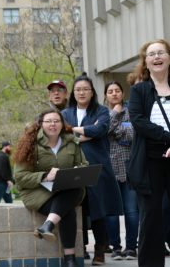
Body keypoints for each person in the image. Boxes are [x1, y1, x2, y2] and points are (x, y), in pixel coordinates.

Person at [62, 73, 122, 265]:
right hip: (72, 166)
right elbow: (63, 134)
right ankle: (81, 250)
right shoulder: (65, 113)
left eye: (85, 89)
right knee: (77, 207)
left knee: (98, 210)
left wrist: (74, 130)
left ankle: (99, 250)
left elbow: (100, 130)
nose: (81, 93)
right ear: (73, 92)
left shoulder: (102, 111)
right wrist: (85, 131)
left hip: (97, 165)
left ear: (92, 92)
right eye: (78, 89)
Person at [14, 109, 86, 267]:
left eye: (56, 121)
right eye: (48, 121)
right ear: (40, 124)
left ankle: (48, 225)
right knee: (67, 211)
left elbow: (84, 165)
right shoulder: (30, 144)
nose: (53, 124)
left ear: (62, 124)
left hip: (65, 189)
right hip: (37, 192)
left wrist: (76, 172)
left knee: (75, 189)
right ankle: (70, 259)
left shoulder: (71, 142)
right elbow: (20, 177)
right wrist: (45, 176)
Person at [127, 39, 170, 267]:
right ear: (146, 62)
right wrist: (167, 138)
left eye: (161, 52)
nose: (156, 57)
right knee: (151, 216)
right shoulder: (139, 90)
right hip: (149, 161)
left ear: (169, 57)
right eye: (151, 54)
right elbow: (138, 121)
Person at [103, 81, 138, 260]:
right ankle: (115, 247)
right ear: (106, 95)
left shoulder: (132, 111)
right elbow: (103, 130)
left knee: (132, 209)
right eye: (110, 91)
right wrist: (116, 115)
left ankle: (131, 247)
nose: (114, 94)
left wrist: (114, 131)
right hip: (109, 168)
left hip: (129, 165)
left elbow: (132, 134)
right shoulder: (103, 113)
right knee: (111, 211)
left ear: (122, 94)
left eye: (117, 90)